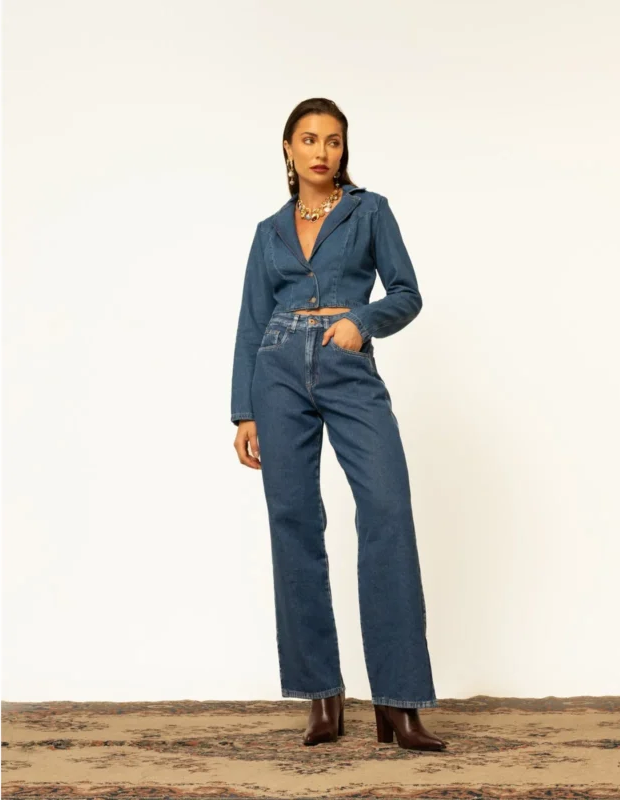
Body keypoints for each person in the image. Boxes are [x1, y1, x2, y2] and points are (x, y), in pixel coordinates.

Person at [230, 98, 446, 752]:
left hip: (346, 360)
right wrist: (244, 410)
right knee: (293, 520)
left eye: (332, 140)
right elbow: (251, 320)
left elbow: (406, 292)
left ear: (344, 150)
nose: (321, 150)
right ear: (288, 149)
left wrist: (362, 322)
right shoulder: (269, 230)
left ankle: (399, 703)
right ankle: (321, 695)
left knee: (387, 510)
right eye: (308, 139)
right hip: (276, 368)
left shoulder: (369, 211)